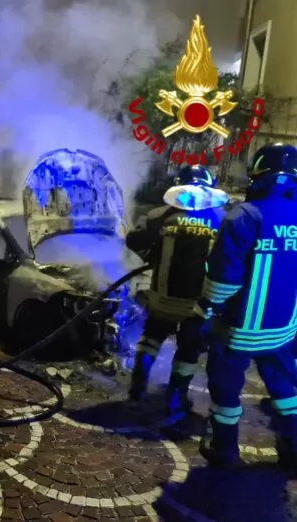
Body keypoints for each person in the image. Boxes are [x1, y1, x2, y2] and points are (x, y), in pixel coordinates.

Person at [193, 143, 297, 469]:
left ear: (258, 175)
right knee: (285, 388)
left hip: (239, 330)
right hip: (283, 329)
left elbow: (224, 280)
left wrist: (205, 310)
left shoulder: (243, 216)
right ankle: (294, 446)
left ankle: (224, 448)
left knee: (225, 387)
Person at [126, 164, 230, 415]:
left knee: (151, 338)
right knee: (189, 349)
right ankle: (175, 398)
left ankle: (137, 388)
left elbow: (133, 240)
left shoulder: (158, 215)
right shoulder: (222, 218)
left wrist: (152, 256)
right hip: (198, 304)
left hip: (162, 299)